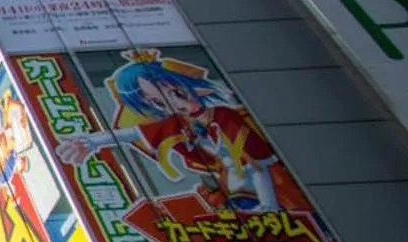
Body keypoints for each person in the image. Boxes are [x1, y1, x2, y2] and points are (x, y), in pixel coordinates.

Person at [54, 50, 286, 214]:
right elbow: (132, 133)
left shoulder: (225, 115)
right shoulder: (181, 124)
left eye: (176, 92)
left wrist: (269, 207)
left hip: (270, 195)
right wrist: (92, 141)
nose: (176, 103)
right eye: (159, 102)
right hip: (235, 199)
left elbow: (256, 164)